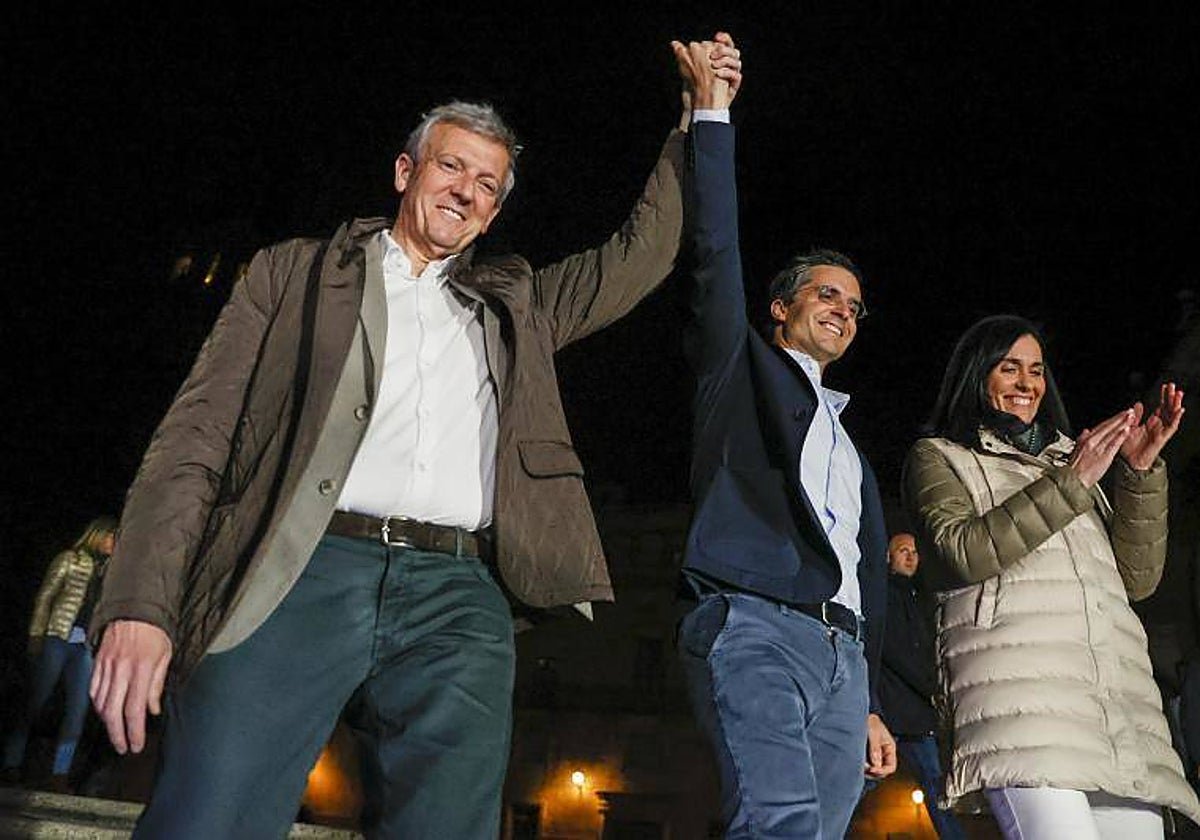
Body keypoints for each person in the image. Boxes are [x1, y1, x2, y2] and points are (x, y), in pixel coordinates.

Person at [87, 43, 743, 839]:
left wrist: (698, 115)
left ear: (496, 212)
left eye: (487, 186)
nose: (466, 193)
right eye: (452, 168)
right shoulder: (293, 276)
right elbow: (193, 440)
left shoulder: (516, 305)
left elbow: (640, 255)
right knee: (212, 809)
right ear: (406, 172)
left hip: (457, 593)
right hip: (301, 568)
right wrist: (140, 606)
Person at [671, 37, 896, 839]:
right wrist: (713, 112)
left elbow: (866, 572)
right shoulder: (741, 371)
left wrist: (869, 701)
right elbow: (715, 248)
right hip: (757, 624)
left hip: (843, 662)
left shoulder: (850, 448)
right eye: (825, 294)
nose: (843, 309)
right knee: (781, 822)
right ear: (780, 308)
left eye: (855, 305)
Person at [902, 314, 1200, 838]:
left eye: (1036, 370)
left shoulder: (1073, 459)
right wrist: (1074, 480)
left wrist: (1138, 475)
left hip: (1114, 710)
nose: (1027, 384)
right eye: (1009, 368)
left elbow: (1135, 579)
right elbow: (962, 553)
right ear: (977, 375)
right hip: (1022, 712)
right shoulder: (941, 457)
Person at [2, 516, 116, 792]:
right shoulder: (70, 559)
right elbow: (46, 596)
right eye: (111, 536)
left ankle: (59, 774)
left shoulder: (110, 571)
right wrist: (36, 635)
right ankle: (11, 763)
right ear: (97, 535)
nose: (114, 542)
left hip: (84, 647)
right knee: (35, 701)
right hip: (57, 637)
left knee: (77, 711)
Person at [878, 532, 965, 839]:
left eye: (915, 551)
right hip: (890, 712)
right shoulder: (881, 595)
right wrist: (931, 686)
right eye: (903, 551)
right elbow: (895, 650)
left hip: (918, 716)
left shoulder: (924, 597)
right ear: (888, 557)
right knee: (854, 785)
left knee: (940, 793)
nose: (911, 556)